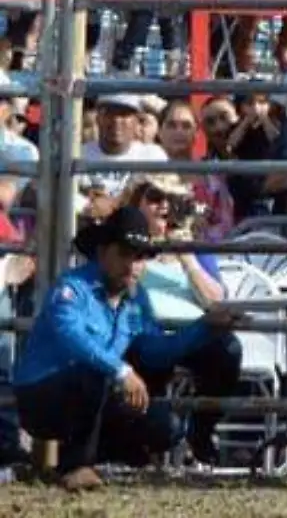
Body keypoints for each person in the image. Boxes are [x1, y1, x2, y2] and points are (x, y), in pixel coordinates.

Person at [13, 205, 243, 491]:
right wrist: (121, 370)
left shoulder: (136, 299)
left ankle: (105, 457)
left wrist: (205, 326)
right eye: (124, 254)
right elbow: (70, 335)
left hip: (90, 395)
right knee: (92, 372)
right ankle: (76, 465)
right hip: (42, 396)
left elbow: (154, 351)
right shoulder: (73, 287)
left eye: (140, 257)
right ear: (102, 252)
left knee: (164, 426)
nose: (133, 265)